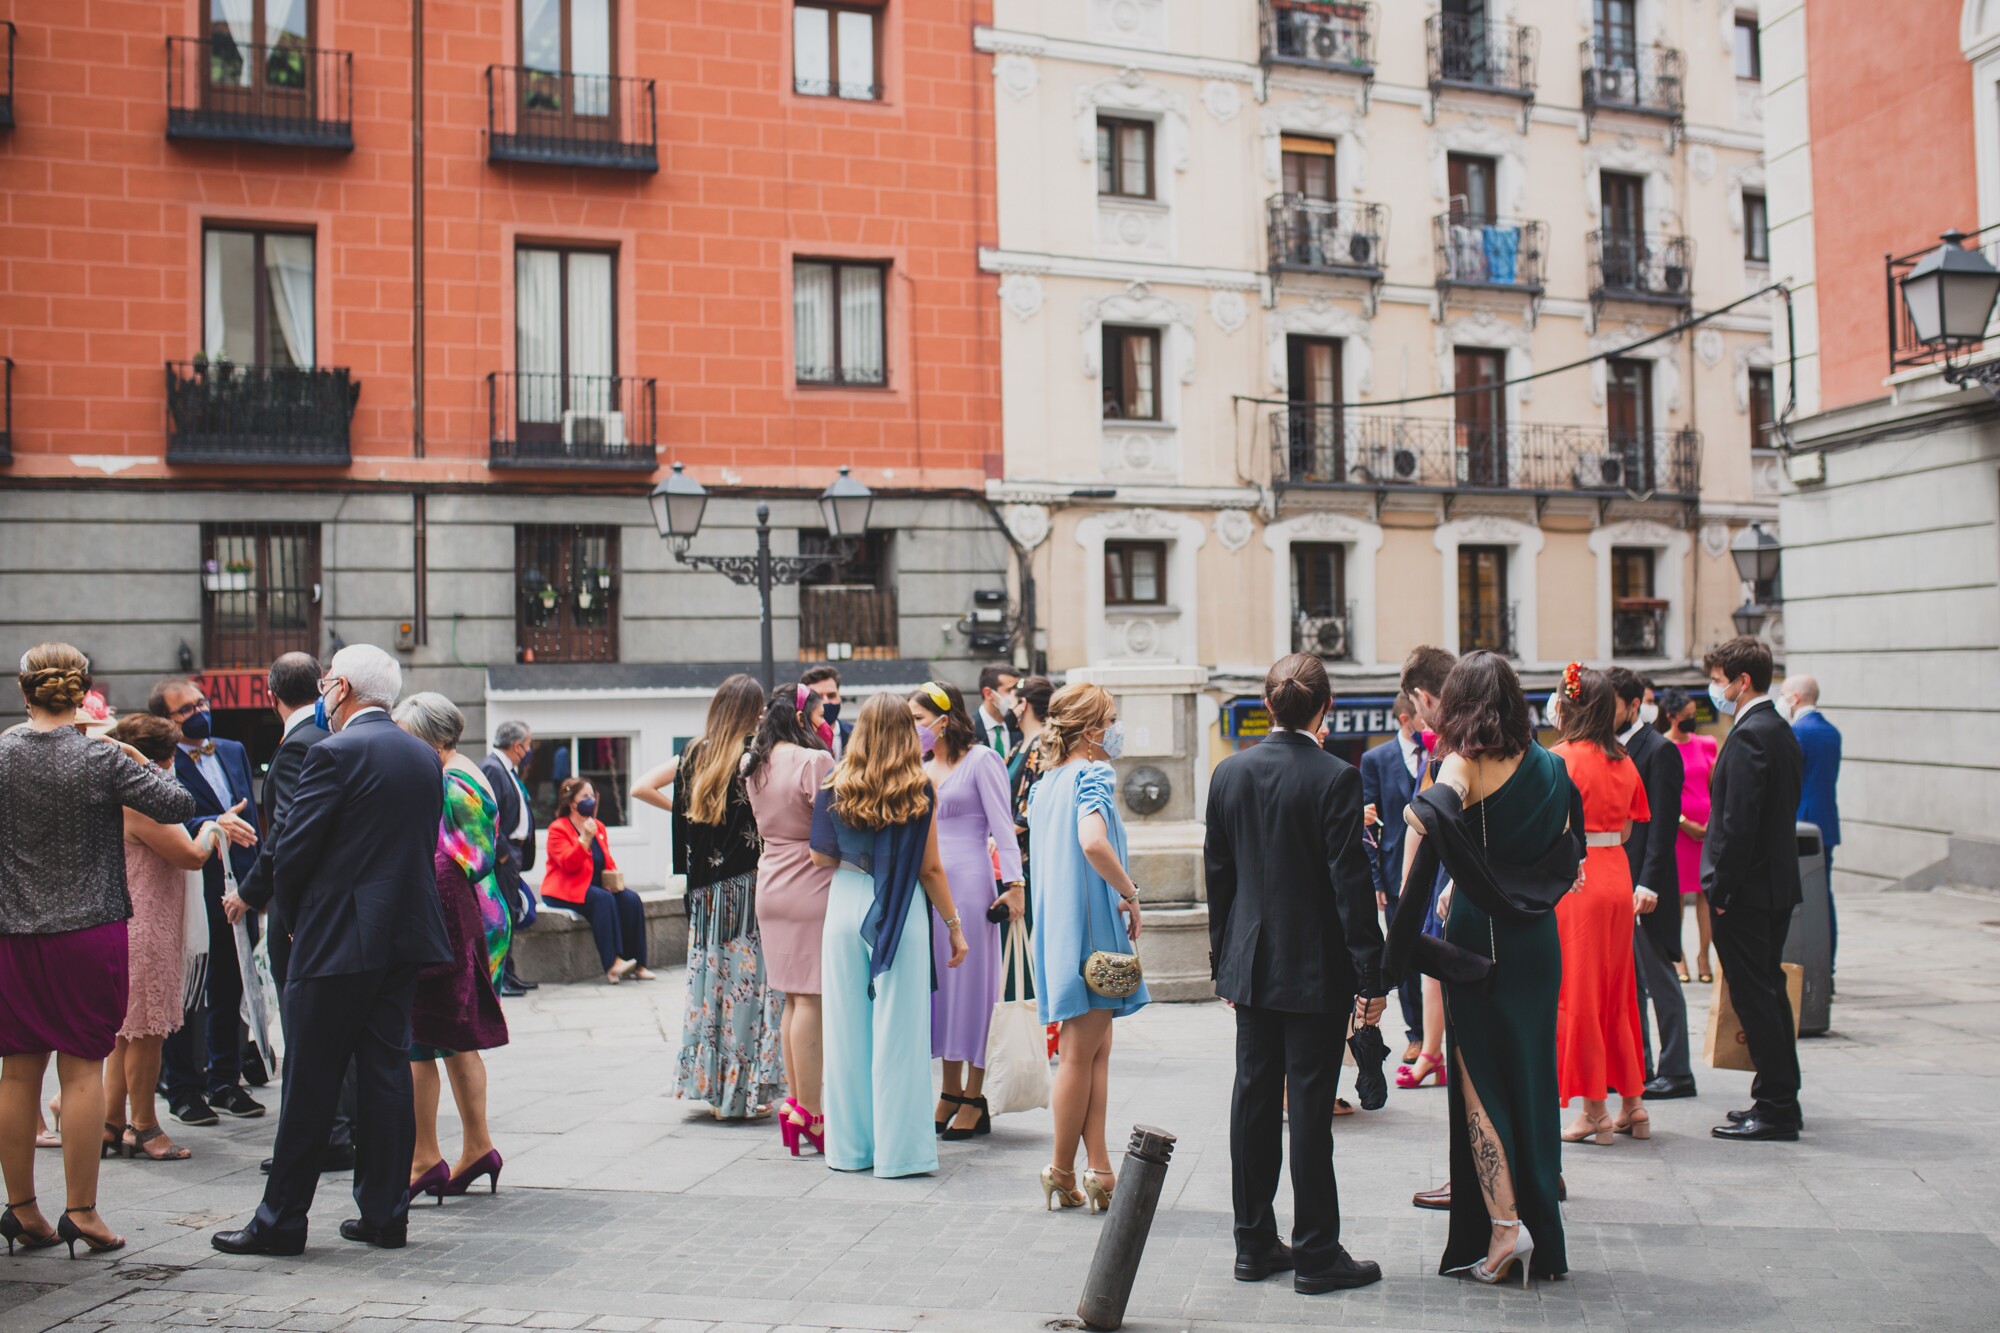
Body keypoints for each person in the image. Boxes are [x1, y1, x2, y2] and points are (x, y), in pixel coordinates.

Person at [212, 643, 452, 1256]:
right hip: (403, 933)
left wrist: (289, 923)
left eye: (326, 683)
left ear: (340, 687)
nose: (322, 691)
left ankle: (282, 1220)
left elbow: (293, 850)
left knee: (311, 1080)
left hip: (339, 936)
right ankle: (385, 1215)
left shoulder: (333, 752)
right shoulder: (424, 757)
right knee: (385, 1072)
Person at [1384, 650, 1583, 1287]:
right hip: (1537, 938)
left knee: (1479, 1083)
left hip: (1481, 936)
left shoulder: (1462, 761)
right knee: (1532, 1076)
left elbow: (1435, 808)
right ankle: (1543, 1231)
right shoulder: (1551, 766)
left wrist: (1431, 832)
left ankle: (1503, 1229)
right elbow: (1570, 848)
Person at [1, 644, 196, 1259]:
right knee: (83, 1066)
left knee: (17, 1068)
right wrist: (138, 757)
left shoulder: (2, 753)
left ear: (24, 690)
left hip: (14, 930)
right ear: (83, 693)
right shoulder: (101, 757)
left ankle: (21, 1209)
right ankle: (81, 1211)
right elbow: (181, 807)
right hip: (90, 930)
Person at [1205, 654, 1385, 1295]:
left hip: (1251, 963)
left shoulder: (1229, 772)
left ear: (1268, 704)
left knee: (1253, 1102)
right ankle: (1315, 1253)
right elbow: (1348, 883)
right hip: (1315, 967)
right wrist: (1372, 971)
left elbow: (1219, 876)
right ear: (1325, 709)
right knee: (1309, 1108)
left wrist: (1222, 961)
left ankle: (1253, 1244)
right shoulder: (1338, 778)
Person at [807, 693, 969, 1177]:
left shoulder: (834, 783)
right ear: (905, 731)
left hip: (845, 904)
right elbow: (931, 868)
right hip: (900, 908)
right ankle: (901, 1155)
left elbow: (820, 858)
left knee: (844, 1031)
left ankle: (850, 1151)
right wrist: (955, 928)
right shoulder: (919, 787)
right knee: (900, 1034)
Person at [1026, 682, 1147, 1214]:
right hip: (1092, 928)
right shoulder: (1092, 773)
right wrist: (1130, 891)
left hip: (1059, 925)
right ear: (1093, 729)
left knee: (1095, 1052)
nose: (1117, 729)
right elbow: (1093, 841)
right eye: (1112, 719)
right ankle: (1060, 1168)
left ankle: (1097, 1168)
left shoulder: (1045, 783)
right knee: (1080, 1054)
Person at [229, 653, 352, 1175]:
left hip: (299, 909)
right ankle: (335, 1129)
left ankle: (323, 1136)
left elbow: (287, 834)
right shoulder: (323, 739)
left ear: (269, 693)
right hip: (322, 906)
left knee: (305, 1027)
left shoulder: (302, 745)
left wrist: (250, 894)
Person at [103, 714, 239, 1163]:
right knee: (147, 1035)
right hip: (148, 928)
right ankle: (144, 1127)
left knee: (126, 1034)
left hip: (130, 922)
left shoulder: (114, 794)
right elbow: (191, 856)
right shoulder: (144, 804)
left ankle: (110, 1124)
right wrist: (212, 828)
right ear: (163, 759)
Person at [392, 693, 510, 1202]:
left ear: (431, 738)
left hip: (456, 921)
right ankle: (475, 1147)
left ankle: (425, 1158)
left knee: (422, 1041)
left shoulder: (451, 780)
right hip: (470, 917)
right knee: (457, 1039)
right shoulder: (460, 770)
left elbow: (463, 859)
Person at [907, 680, 1024, 1141]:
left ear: (944, 717)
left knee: (973, 990)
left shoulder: (982, 760)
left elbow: (1004, 826)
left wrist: (1014, 885)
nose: (913, 729)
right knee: (940, 990)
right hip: (927, 889)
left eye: (918, 720)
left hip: (972, 887)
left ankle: (976, 1094)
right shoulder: (917, 763)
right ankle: (950, 1090)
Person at [1702, 637, 1806, 1142]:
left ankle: (1777, 1106)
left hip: (1745, 892)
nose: (1716, 689)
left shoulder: (1749, 736)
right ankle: (1777, 1096)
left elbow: (1737, 825)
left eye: (1720, 679)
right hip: (1774, 887)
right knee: (1768, 992)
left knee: (1756, 996)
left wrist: (1719, 889)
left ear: (1743, 682)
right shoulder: (1779, 731)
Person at [150, 675, 266, 1126]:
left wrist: (258, 887)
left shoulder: (233, 749)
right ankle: (183, 1087)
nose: (199, 711)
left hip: (240, 888)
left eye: (202, 702)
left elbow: (251, 816)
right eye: (185, 709)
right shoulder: (160, 760)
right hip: (191, 886)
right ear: (166, 720)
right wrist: (212, 821)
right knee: (189, 991)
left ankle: (225, 1080)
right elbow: (163, 815)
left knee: (232, 984)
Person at [667, 674, 784, 1120]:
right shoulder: (754, 757)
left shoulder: (694, 753)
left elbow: (681, 827)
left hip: (706, 895)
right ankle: (741, 1090)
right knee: (747, 990)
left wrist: (691, 881)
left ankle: (711, 1087)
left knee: (708, 987)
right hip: (748, 888)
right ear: (753, 711)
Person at [1548, 666, 1651, 1145]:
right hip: (1617, 877)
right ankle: (1633, 1103)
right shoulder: (1624, 759)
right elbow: (1630, 828)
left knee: (1582, 993)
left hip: (1579, 881)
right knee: (1618, 992)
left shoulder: (1559, 759)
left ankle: (1594, 1110)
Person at [742, 687, 836, 1154]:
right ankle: (814, 1113)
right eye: (821, 715)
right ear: (803, 716)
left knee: (792, 1000)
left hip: (772, 879)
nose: (825, 722)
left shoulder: (755, 762)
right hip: (809, 879)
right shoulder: (811, 762)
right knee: (811, 999)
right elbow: (832, 825)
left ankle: (796, 1103)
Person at [1606, 670, 1693, 1102]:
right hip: (1616, 882)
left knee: (1660, 981)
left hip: (1646, 886)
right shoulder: (1611, 748)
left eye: (1613, 703)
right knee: (1628, 986)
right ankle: (1637, 1066)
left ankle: (1677, 1070)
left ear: (1634, 704)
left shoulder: (1659, 751)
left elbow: (1660, 826)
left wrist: (1648, 884)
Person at [1395, 646, 1455, 1096]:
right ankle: (1434, 1050)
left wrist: (1405, 886)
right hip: (1440, 875)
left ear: (1423, 696)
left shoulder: (1450, 751)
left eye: (1414, 704)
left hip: (1445, 876)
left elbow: (1422, 822)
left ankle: (1435, 1052)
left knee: (1435, 967)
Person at [1359, 694, 1424, 1062]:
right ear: (1405, 718)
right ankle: (1416, 1033)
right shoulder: (1376, 759)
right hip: (1394, 871)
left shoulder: (1440, 755)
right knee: (1406, 954)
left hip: (1435, 868)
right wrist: (1376, 880)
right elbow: (1368, 825)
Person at [541, 779, 650, 985]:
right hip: (565, 889)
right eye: (584, 796)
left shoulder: (598, 825)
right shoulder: (558, 829)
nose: (590, 800)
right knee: (603, 900)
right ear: (572, 803)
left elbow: (606, 859)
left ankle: (638, 964)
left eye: (592, 795)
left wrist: (613, 878)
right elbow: (568, 864)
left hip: (594, 885)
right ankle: (612, 964)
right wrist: (584, 839)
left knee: (631, 899)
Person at [1780, 675, 1841, 975]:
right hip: (1826, 822)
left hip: (1801, 821)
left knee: (1800, 897)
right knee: (1823, 894)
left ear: (1796, 698)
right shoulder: (1831, 732)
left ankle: (1804, 961)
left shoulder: (1797, 732)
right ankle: (1826, 964)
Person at [1658, 688, 1719, 983]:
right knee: (1678, 896)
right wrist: (1684, 822)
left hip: (1706, 829)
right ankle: (1679, 957)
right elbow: (1662, 794)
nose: (1693, 719)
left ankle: (1704, 956)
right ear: (1671, 716)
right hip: (1678, 830)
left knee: (1706, 894)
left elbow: (1715, 785)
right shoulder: (1662, 747)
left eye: (1695, 715)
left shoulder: (1707, 744)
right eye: (1688, 715)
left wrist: (1711, 821)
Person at [1005, 675, 1055, 1002]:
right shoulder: (1017, 747)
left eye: (1012, 700)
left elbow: (1035, 805)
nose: (1009, 706)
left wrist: (1004, 832)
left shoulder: (1043, 745)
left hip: (1026, 858)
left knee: (1025, 939)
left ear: (1024, 705)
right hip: (1009, 853)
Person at [480, 721, 539, 997]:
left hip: (514, 854)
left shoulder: (506, 769)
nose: (528, 750)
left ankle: (510, 975)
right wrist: (503, 854)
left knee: (511, 915)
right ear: (517, 746)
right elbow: (488, 814)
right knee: (503, 918)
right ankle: (502, 979)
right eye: (527, 744)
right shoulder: (493, 768)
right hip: (505, 855)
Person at [972, 664, 1022, 760]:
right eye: (1010, 690)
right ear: (988, 694)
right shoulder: (968, 728)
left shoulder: (1020, 727)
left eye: (1017, 690)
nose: (1015, 696)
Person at [800, 666, 851, 758]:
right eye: (818, 697)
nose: (826, 701)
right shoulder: (797, 741)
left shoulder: (855, 734)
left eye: (831, 695)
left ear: (840, 697)